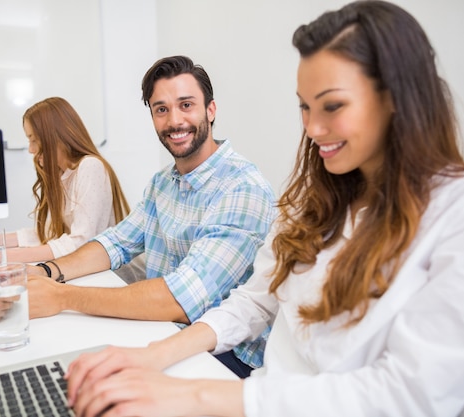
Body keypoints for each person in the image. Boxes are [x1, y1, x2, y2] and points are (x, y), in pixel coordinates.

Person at [61, 2, 464, 416]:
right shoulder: (313, 200)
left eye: (332, 106)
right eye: (304, 107)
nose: (313, 129)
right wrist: (150, 356)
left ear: (399, 97)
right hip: (257, 394)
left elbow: (406, 395)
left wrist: (191, 395)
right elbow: (254, 302)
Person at [25, 55, 276, 378]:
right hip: (162, 330)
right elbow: (116, 242)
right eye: (161, 109)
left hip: (225, 356)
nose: (174, 121)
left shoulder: (242, 188)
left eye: (186, 105)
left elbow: (183, 298)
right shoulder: (163, 182)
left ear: (211, 111)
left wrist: (62, 297)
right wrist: (47, 271)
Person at [0, 97, 130, 265]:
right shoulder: (62, 174)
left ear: (55, 136)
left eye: (34, 140)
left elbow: (80, 242)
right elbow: (52, 233)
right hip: (85, 266)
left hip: (112, 274)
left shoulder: (90, 167)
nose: (31, 149)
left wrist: (2, 256)